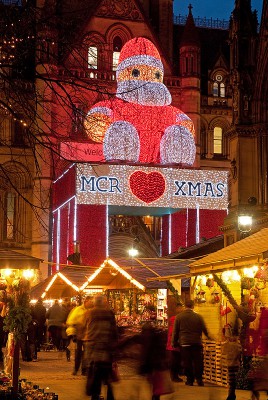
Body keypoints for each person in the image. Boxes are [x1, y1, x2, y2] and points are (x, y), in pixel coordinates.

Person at [84, 295, 118, 400]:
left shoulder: (89, 313)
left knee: (95, 373)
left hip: (93, 347)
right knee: (107, 374)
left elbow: (86, 328)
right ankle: (110, 396)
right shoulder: (109, 313)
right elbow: (114, 332)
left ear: (94, 303)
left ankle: (95, 395)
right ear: (103, 302)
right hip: (106, 348)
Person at [171, 299, 212, 386]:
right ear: (193, 306)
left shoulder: (179, 317)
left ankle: (190, 380)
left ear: (185, 306)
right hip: (197, 342)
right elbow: (204, 329)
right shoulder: (198, 317)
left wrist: (174, 342)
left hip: (184, 343)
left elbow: (175, 331)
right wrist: (209, 337)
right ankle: (199, 380)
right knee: (198, 362)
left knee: (187, 362)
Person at [66, 295, 93, 375]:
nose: (91, 303)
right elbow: (70, 321)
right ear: (86, 301)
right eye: (90, 302)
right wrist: (78, 325)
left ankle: (84, 370)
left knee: (86, 353)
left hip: (88, 334)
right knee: (78, 352)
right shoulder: (78, 309)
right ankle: (76, 369)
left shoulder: (91, 310)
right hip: (80, 334)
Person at [166, 302, 184, 382]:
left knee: (175, 360)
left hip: (173, 342)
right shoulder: (175, 319)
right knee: (175, 361)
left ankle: (174, 376)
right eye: (180, 308)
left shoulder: (174, 318)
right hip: (174, 343)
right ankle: (174, 377)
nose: (181, 309)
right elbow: (174, 332)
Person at [222, 335, 242, 400]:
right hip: (235, 365)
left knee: (231, 381)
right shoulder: (238, 345)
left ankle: (231, 395)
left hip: (230, 365)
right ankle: (232, 395)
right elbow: (240, 354)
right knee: (233, 381)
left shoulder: (228, 345)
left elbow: (224, 351)